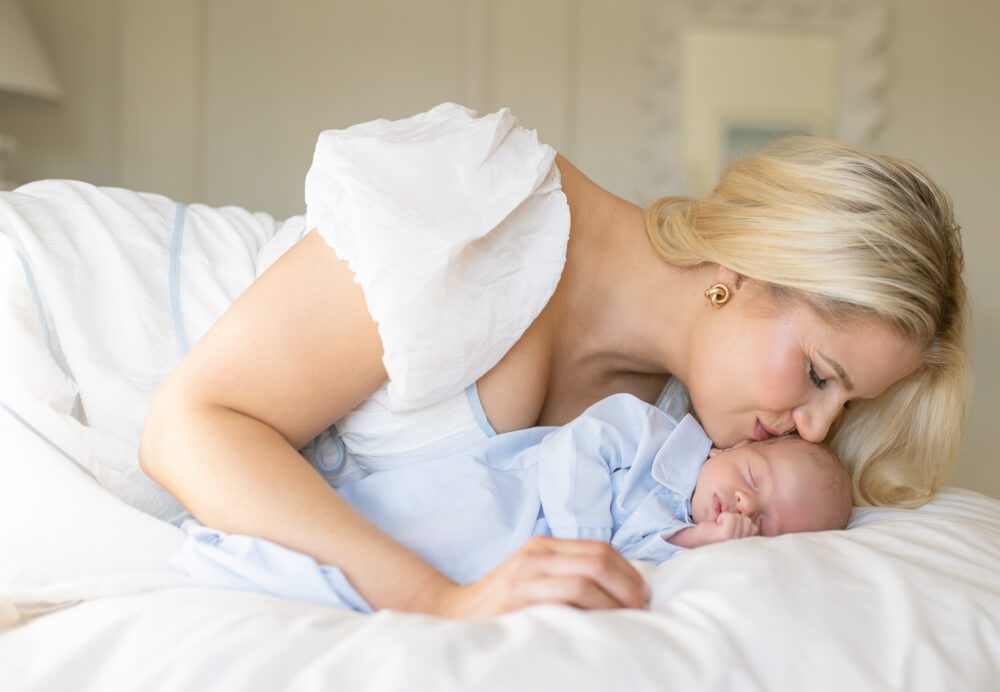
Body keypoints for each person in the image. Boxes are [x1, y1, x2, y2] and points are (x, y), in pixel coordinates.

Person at [138, 102, 967, 619]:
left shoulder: (679, 440)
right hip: (87, 362)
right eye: (822, 375)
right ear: (745, 269)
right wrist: (438, 602)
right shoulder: (484, 208)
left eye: (845, 406)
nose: (817, 428)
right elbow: (190, 428)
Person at [172, 393, 852, 613]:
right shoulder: (653, 433)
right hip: (504, 496)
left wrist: (700, 543)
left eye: (763, 523)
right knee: (405, 523)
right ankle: (256, 537)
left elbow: (638, 561)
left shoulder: (673, 532)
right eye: (754, 477)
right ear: (736, 446)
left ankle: (286, 573)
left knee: (402, 574)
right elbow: (578, 449)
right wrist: (585, 536)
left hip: (503, 556)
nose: (742, 502)